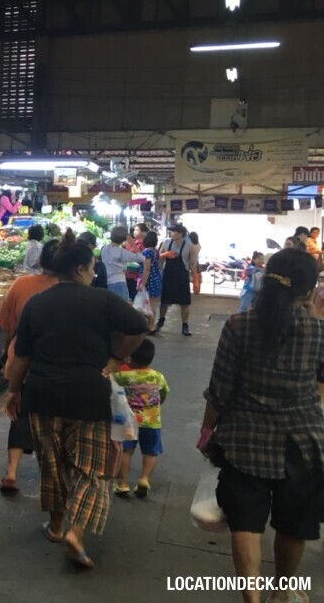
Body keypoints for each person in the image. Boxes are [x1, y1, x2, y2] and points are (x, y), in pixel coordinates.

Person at [7, 231, 149, 569]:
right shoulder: (102, 300)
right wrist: (116, 356)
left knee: (52, 466)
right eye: (92, 268)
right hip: (90, 395)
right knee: (92, 471)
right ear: (82, 269)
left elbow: (21, 357)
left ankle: (56, 527)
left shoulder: (36, 303)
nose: (94, 274)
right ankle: (77, 532)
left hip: (43, 394)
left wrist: (14, 391)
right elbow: (140, 326)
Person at [199, 249, 324, 603]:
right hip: (303, 443)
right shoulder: (319, 330)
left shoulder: (239, 325)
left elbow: (219, 390)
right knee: (293, 523)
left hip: (243, 440)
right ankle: (281, 593)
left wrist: (207, 435)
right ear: (308, 288)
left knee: (246, 522)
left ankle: (251, 600)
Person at [0, 240, 60, 494]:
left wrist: (7, 354)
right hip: (54, 366)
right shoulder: (70, 291)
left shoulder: (21, 284)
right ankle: (51, 475)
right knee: (53, 421)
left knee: (20, 415)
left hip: (22, 363)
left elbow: (7, 325)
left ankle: (11, 473)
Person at [113, 339, 169, 498]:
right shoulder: (158, 376)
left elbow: (112, 387)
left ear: (130, 358)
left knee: (126, 451)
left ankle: (122, 483)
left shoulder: (123, 376)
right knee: (150, 452)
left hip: (129, 422)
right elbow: (164, 394)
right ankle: (144, 479)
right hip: (152, 422)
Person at [156, 224, 197, 336]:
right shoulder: (166, 243)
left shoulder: (189, 246)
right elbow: (157, 257)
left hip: (182, 277)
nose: (171, 233)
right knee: (164, 302)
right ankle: (160, 322)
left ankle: (185, 326)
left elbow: (193, 263)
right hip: (168, 275)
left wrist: (196, 279)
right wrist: (165, 254)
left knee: (185, 303)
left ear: (180, 234)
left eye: (173, 232)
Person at [101, 226, 144, 302]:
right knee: (122, 309)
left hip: (106, 282)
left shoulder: (104, 248)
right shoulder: (121, 252)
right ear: (124, 239)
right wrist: (132, 243)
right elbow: (141, 258)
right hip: (119, 282)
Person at [138, 231, 162, 330]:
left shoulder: (147, 252)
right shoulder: (155, 251)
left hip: (149, 280)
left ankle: (150, 326)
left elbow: (146, 269)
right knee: (152, 304)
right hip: (156, 278)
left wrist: (142, 284)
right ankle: (150, 325)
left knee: (149, 305)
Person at [124, 223, 147, 298]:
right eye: (134, 230)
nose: (135, 232)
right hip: (127, 271)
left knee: (133, 295)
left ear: (143, 232)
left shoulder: (143, 243)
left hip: (135, 273)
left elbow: (142, 257)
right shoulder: (132, 241)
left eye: (137, 230)